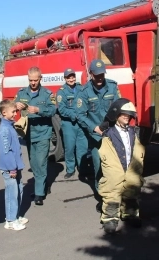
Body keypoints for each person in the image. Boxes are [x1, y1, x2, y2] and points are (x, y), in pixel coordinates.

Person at [97, 98, 146, 234]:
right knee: (112, 189)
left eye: (129, 114)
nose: (126, 116)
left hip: (130, 165)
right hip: (116, 166)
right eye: (123, 114)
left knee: (132, 187)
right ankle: (110, 218)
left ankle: (130, 214)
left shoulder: (133, 132)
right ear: (116, 115)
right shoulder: (109, 133)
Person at [75, 59, 120, 195]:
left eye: (102, 74)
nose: (100, 78)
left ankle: (114, 194)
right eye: (97, 75)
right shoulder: (84, 92)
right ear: (91, 74)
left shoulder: (112, 87)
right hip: (96, 137)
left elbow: (118, 106)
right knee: (99, 167)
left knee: (114, 167)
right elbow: (80, 115)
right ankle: (101, 197)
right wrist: (94, 127)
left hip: (113, 134)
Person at [14, 67, 56, 206]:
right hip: (28, 134)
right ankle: (42, 186)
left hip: (43, 133)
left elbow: (53, 110)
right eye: (30, 80)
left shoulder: (47, 94)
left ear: (40, 78)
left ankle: (39, 193)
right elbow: (12, 109)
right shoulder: (21, 93)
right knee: (33, 163)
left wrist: (39, 110)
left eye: (35, 80)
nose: (33, 83)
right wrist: (16, 106)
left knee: (41, 162)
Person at [0, 99, 28, 231]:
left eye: (15, 111)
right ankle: (10, 220)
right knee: (11, 193)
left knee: (19, 191)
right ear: (4, 113)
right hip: (10, 168)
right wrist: (11, 168)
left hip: (15, 166)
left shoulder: (10, 125)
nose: (15, 113)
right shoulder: (4, 129)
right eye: (13, 111)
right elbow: (6, 151)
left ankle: (16, 215)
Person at [56, 68, 88, 179]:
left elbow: (86, 102)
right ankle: (70, 169)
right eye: (68, 77)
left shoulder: (81, 88)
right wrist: (74, 114)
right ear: (65, 79)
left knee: (82, 147)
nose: (71, 79)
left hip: (81, 124)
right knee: (69, 148)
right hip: (69, 124)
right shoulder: (61, 92)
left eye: (72, 76)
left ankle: (83, 169)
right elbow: (62, 109)